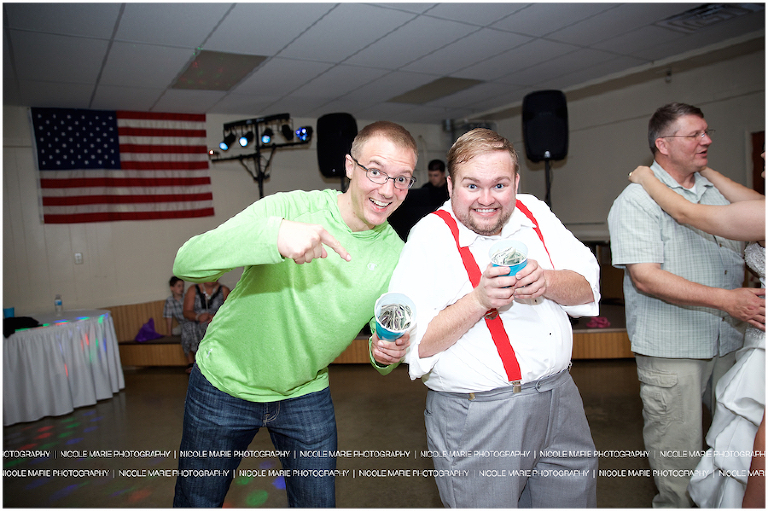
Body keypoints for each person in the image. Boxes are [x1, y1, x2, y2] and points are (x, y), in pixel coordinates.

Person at [171, 121, 416, 507]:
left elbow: (382, 340)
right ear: (350, 166)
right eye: (376, 171)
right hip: (224, 385)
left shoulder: (396, 255)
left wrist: (385, 353)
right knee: (196, 501)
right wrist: (275, 236)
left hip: (305, 393)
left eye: (402, 179)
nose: (388, 190)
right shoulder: (288, 208)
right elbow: (187, 262)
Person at [387, 128, 600, 507]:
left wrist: (546, 281)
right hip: (483, 415)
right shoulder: (430, 237)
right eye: (472, 186)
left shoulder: (534, 211)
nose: (486, 200)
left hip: (561, 399)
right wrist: (479, 300)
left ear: (516, 182)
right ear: (450, 185)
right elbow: (415, 345)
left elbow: (587, 287)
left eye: (499, 185)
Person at [607, 102, 764, 507]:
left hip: (731, 343)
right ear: (663, 143)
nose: (707, 140)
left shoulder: (720, 195)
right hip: (674, 347)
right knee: (677, 459)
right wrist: (728, 300)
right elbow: (646, 276)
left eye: (706, 132)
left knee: (734, 450)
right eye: (695, 134)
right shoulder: (637, 200)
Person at [180, 279, 230, 373]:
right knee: (187, 326)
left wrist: (216, 318)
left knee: (215, 328)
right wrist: (198, 316)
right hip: (197, 321)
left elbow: (229, 311)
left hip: (216, 321)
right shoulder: (193, 289)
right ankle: (192, 362)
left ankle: (214, 362)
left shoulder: (224, 290)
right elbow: (186, 312)